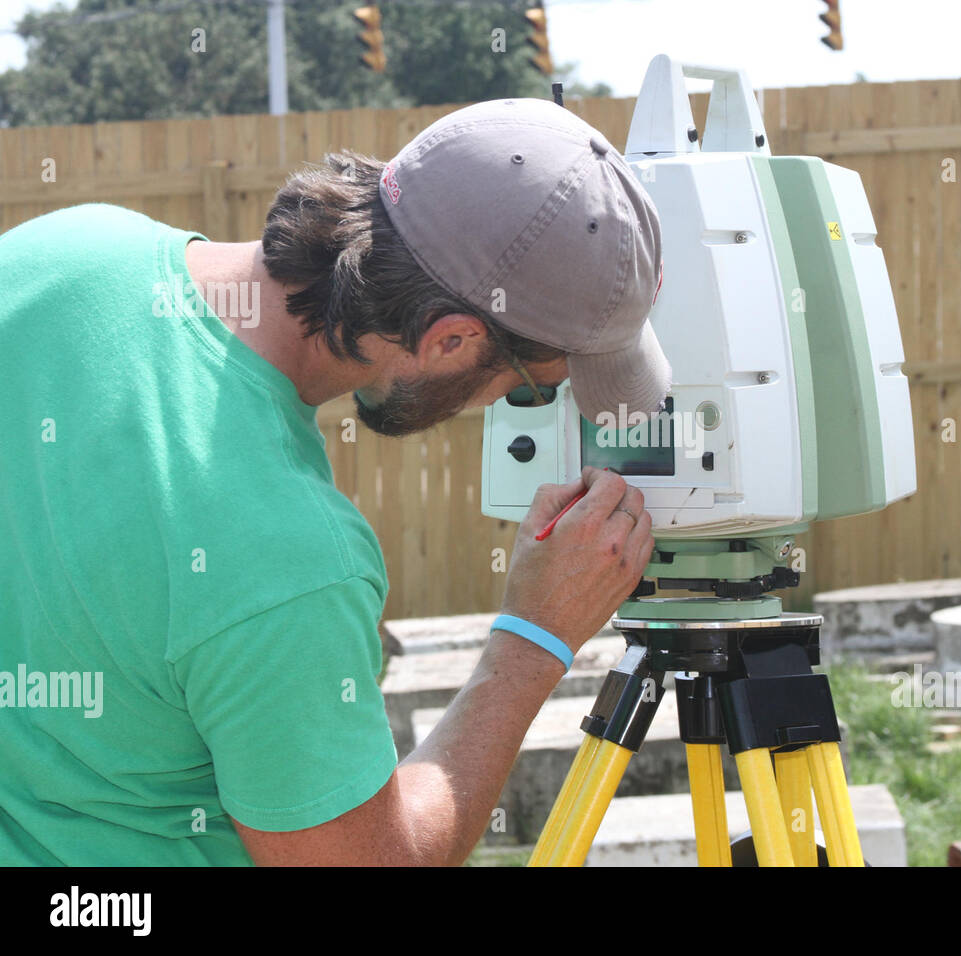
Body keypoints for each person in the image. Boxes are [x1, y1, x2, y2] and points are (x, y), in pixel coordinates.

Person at [0, 97, 670, 865]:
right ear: (450, 340)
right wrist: (532, 641)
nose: (512, 408)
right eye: (532, 386)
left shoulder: (60, 251)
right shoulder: (288, 560)